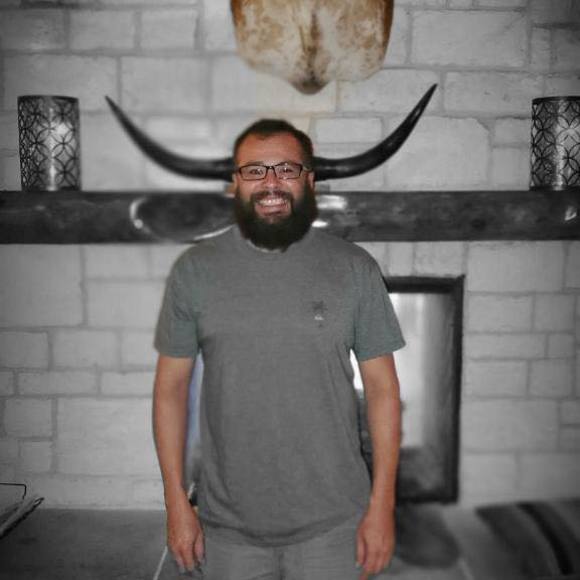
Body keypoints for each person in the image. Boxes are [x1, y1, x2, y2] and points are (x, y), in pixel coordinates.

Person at [152, 119, 405, 580]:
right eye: (254, 170)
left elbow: (384, 390)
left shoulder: (354, 268)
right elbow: (170, 390)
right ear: (234, 183)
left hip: (337, 525)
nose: (271, 183)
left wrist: (382, 505)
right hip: (228, 529)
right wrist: (175, 502)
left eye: (287, 169)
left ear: (310, 180)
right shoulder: (194, 270)